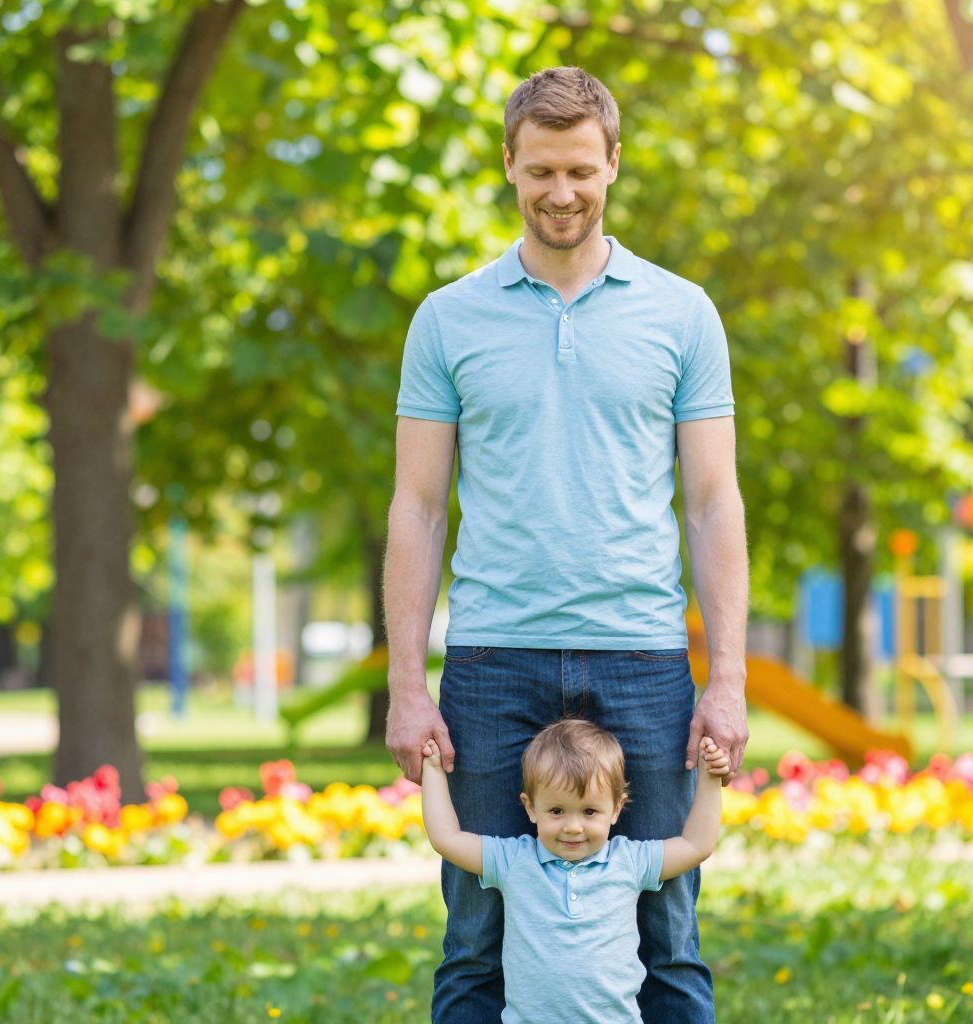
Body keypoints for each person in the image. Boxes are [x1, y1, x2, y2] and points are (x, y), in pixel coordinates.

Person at [385, 65, 749, 1024]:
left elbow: (714, 502)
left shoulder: (682, 314)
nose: (562, 192)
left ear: (613, 164)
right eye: (540, 169)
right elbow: (417, 508)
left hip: (645, 663)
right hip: (491, 664)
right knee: (475, 946)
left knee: (669, 942)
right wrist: (408, 686)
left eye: (581, 169)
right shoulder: (447, 319)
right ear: (509, 163)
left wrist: (730, 677)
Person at [418, 719, 731, 1024]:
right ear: (530, 807)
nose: (572, 827)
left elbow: (696, 845)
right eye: (556, 811)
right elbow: (447, 839)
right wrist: (432, 770)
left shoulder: (630, 861)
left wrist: (709, 778)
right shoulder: (513, 860)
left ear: (616, 809)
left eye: (589, 811)